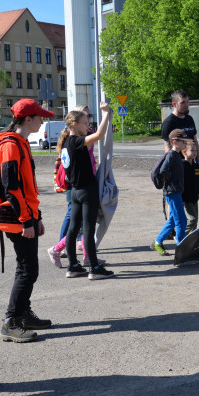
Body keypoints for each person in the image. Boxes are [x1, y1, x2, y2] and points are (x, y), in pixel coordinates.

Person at [0, 99, 56, 342]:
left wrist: (36, 217)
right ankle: (11, 321)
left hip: (27, 216)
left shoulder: (21, 143)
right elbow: (11, 187)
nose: (42, 121)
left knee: (29, 268)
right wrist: (26, 221)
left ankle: (23, 314)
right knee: (27, 270)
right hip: (17, 218)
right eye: (39, 117)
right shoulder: (11, 145)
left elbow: (28, 188)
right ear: (28, 119)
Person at [63, 102, 114, 280]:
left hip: (75, 191)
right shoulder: (76, 141)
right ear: (74, 125)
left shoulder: (66, 143)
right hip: (86, 191)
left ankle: (73, 266)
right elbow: (99, 135)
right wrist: (106, 114)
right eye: (85, 123)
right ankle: (94, 268)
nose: (88, 126)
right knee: (88, 230)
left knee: (73, 229)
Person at [151, 129, 187, 256]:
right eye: (183, 141)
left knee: (172, 220)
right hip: (172, 192)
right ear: (175, 142)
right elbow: (163, 170)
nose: (185, 144)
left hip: (176, 192)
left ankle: (158, 242)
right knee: (181, 221)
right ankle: (181, 250)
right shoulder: (171, 155)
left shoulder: (177, 155)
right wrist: (173, 180)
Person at [181, 140, 199, 234]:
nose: (195, 152)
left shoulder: (196, 167)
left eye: (196, 150)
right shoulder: (181, 166)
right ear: (184, 152)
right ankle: (180, 235)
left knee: (195, 222)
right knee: (193, 219)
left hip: (194, 198)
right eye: (192, 150)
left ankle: (192, 240)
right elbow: (180, 184)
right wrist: (182, 199)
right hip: (186, 199)